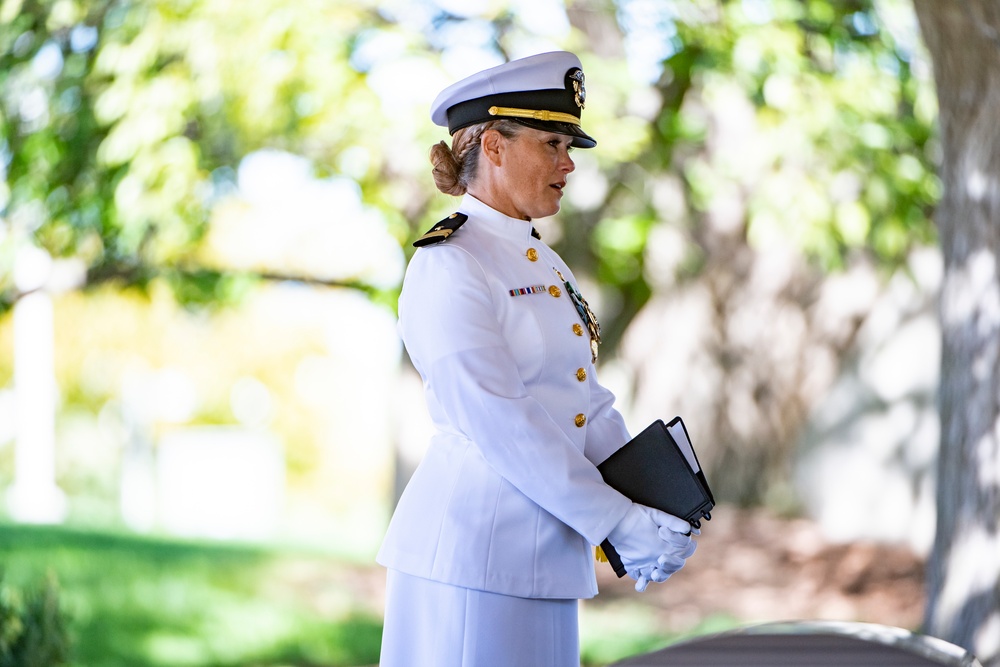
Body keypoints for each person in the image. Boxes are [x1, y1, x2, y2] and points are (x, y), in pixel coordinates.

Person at [377, 51, 697, 667]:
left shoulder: (543, 262)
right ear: (494, 145)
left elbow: (583, 400)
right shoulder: (450, 262)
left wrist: (655, 503)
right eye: (552, 142)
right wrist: (615, 520)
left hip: (544, 555)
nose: (568, 162)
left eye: (569, 144)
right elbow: (501, 419)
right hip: (473, 555)